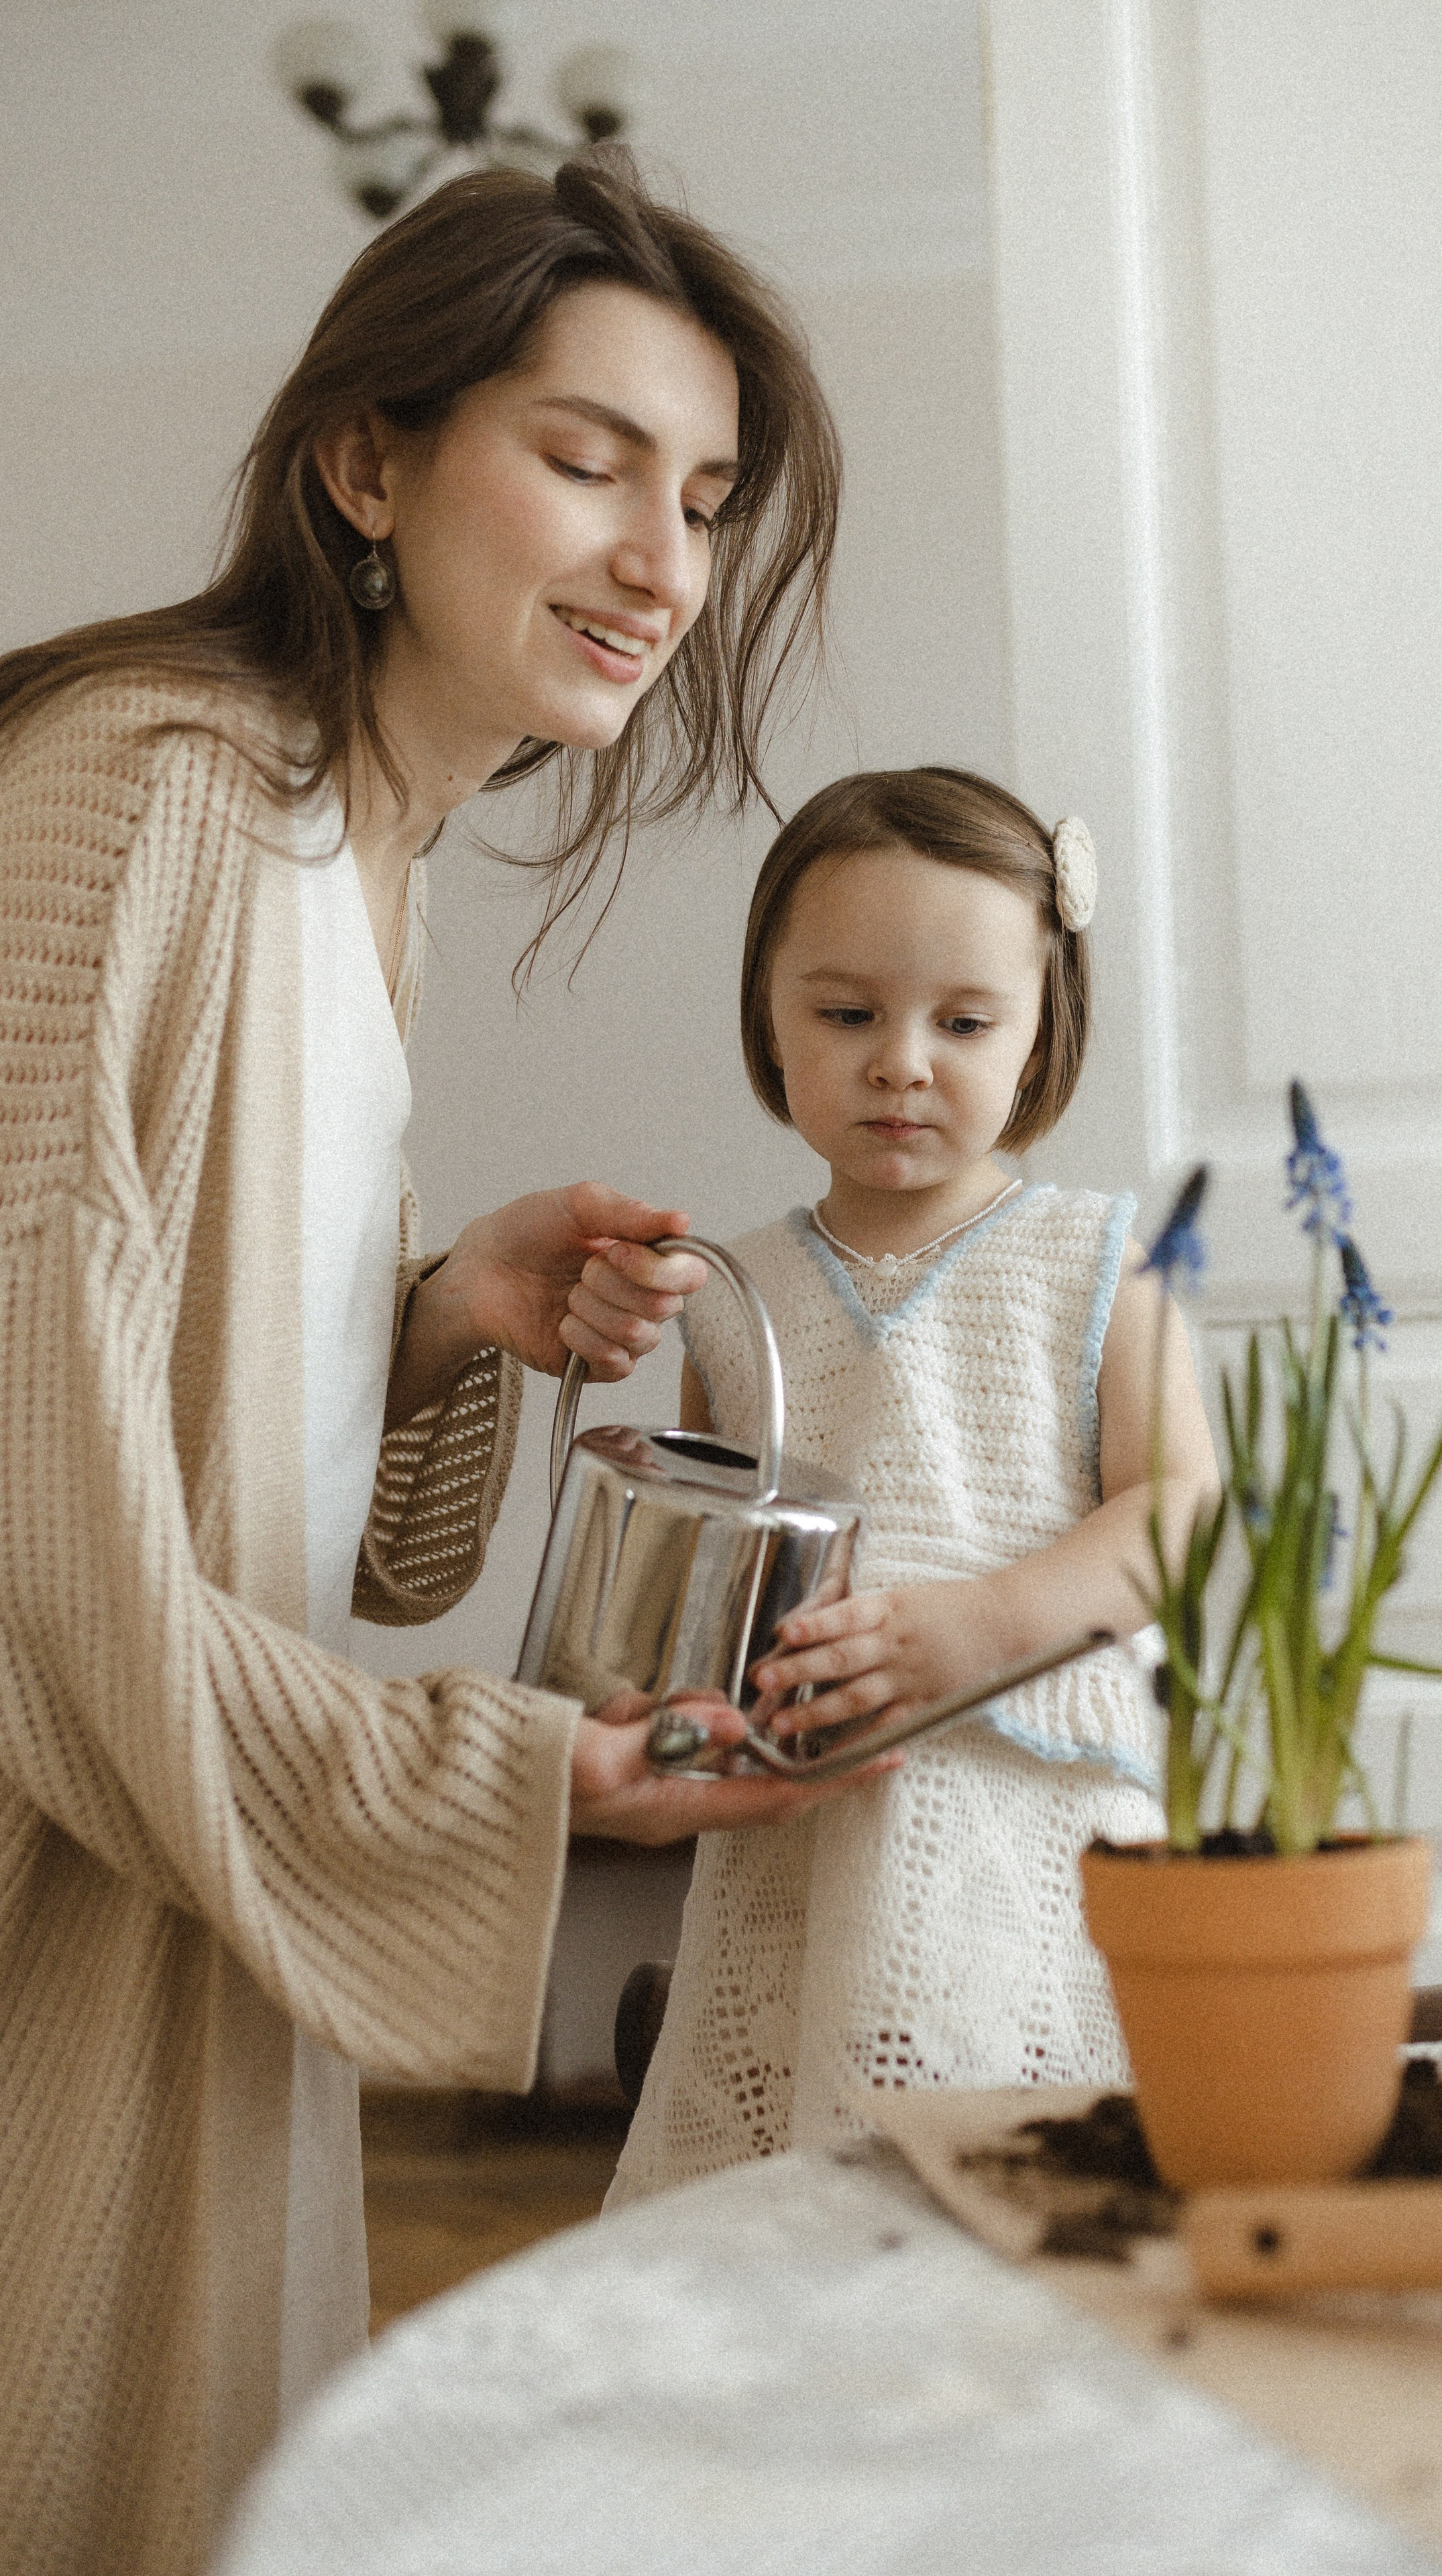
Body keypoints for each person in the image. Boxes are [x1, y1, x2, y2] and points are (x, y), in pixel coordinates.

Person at [0, 152, 873, 2576]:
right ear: (364, 466)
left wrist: (434, 1320)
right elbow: (31, 1519)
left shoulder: (365, 883)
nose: (660, 564)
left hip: (182, 1857)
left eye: (701, 501)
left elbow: (225, 1466)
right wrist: (517, 1779)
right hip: (65, 1882)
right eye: (584, 461)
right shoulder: (150, 792)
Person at [607, 768, 1220, 2204]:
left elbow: (1179, 1514)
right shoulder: (726, 1293)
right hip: (802, 1827)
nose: (899, 1062)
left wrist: (988, 1622)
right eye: (845, 1015)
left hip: (1023, 1802)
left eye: (960, 1023)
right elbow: (711, 1567)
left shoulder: (1094, 1260)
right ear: (769, 1018)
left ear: (1036, 1033)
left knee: (1026, 2176)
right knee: (797, 2179)